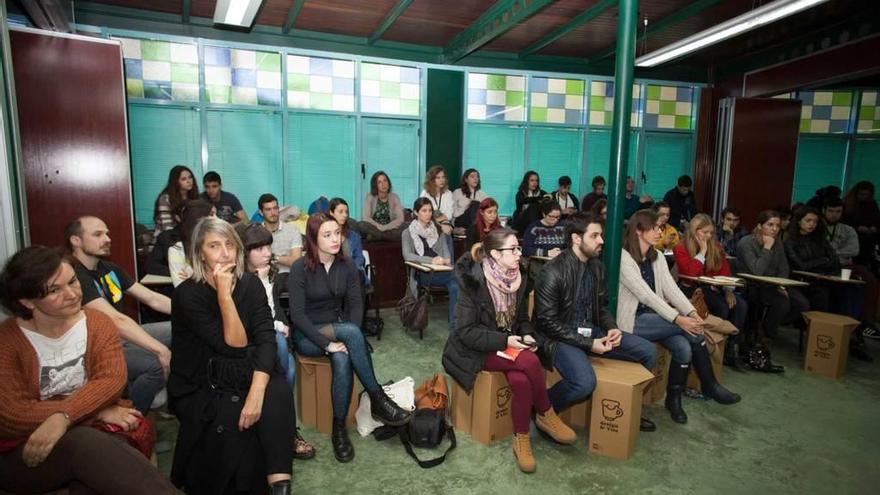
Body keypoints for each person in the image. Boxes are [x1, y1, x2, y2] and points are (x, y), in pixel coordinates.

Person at [0, 246, 178, 494]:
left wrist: (64, 417)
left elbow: (111, 381)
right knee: (84, 442)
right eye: (55, 290)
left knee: (94, 474)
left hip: (91, 439)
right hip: (27, 449)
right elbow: (12, 415)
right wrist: (92, 413)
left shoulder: (96, 323)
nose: (73, 294)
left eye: (73, 281)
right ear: (28, 301)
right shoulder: (7, 340)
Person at [168, 217, 294, 494]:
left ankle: (280, 487)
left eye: (230, 245)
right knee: (244, 423)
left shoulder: (251, 284)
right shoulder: (188, 295)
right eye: (214, 246)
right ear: (200, 253)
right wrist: (224, 295)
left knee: (276, 389)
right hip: (201, 383)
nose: (225, 253)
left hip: (240, 370)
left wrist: (256, 393)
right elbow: (235, 345)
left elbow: (266, 340)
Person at [442, 229, 575, 473]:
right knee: (531, 363)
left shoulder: (519, 277)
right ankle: (545, 413)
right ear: (494, 254)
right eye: (512, 250)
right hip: (475, 348)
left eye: (518, 248)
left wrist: (525, 334)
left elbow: (522, 317)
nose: (518, 254)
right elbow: (466, 332)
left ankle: (521, 438)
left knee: (522, 381)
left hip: (507, 342)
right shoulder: (472, 282)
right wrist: (506, 341)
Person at [289, 213, 411, 463]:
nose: (335, 239)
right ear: (313, 238)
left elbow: (356, 306)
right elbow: (298, 316)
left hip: (341, 328)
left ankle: (339, 429)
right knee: (347, 338)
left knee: (344, 359)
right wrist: (328, 344)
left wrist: (348, 340)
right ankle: (378, 398)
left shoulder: (347, 267)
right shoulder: (299, 268)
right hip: (309, 334)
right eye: (327, 234)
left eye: (337, 233)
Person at [532, 212, 658, 432]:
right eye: (595, 235)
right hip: (560, 338)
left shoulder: (596, 267)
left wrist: (611, 328)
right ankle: (543, 408)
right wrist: (588, 344)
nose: (601, 241)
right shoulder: (552, 272)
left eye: (601, 235)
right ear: (576, 238)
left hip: (591, 331)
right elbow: (546, 322)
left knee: (648, 351)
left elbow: (601, 307)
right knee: (583, 383)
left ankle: (627, 405)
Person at [619, 210, 741, 423]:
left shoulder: (656, 257)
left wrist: (691, 312)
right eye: (655, 228)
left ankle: (673, 399)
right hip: (633, 321)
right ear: (639, 231)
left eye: (660, 227)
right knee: (693, 332)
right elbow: (646, 296)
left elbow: (671, 290)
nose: (660, 231)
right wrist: (678, 319)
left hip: (655, 319)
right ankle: (709, 384)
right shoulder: (624, 257)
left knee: (684, 347)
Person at [65, 216, 171, 414]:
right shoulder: (74, 276)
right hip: (99, 345)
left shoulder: (109, 269)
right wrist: (161, 350)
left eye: (107, 233)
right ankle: (133, 414)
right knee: (155, 364)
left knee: (177, 329)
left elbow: (152, 299)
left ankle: (160, 396)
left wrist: (195, 310)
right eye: (98, 234)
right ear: (75, 241)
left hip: (122, 335)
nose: (107, 239)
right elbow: (115, 319)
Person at [235, 223, 316, 461]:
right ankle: (285, 430)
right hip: (246, 342)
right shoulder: (236, 278)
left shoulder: (268, 273)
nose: (268, 253)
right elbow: (250, 322)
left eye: (268, 247)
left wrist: (278, 325)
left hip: (267, 337)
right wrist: (278, 327)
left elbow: (270, 311)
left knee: (288, 367)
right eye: (258, 249)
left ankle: (280, 426)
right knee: (281, 352)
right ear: (244, 251)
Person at [736, 210, 809, 372]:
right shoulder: (746, 243)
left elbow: (784, 268)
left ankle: (766, 333)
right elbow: (757, 271)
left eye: (777, 225)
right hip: (751, 284)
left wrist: (781, 284)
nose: (775, 229)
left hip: (772, 285)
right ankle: (760, 342)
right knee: (780, 303)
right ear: (760, 226)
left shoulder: (778, 244)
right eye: (770, 225)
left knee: (801, 303)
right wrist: (767, 248)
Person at [673, 214, 749, 368]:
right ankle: (713, 343)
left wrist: (728, 291)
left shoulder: (717, 247)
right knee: (720, 306)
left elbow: (725, 272)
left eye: (711, 233)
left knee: (740, 305)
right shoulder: (681, 248)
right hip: (692, 289)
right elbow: (691, 273)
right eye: (704, 232)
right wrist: (702, 252)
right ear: (695, 231)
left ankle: (731, 347)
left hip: (714, 287)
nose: (708, 236)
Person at [401, 198, 459, 331]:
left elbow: (446, 252)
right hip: (422, 272)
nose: (428, 214)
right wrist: (431, 261)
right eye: (424, 211)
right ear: (416, 212)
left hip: (443, 271)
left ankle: (454, 328)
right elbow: (407, 256)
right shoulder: (408, 233)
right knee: (459, 276)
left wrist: (446, 260)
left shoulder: (437, 230)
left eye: (430, 211)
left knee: (455, 286)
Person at [784, 206, 839, 311]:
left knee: (847, 290)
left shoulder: (820, 240)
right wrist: (823, 260)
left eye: (815, 221)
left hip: (822, 278)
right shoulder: (790, 242)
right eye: (808, 220)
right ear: (799, 222)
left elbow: (835, 260)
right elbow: (801, 266)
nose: (812, 224)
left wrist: (820, 264)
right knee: (820, 293)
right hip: (799, 280)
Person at [168, 200, 215, 287]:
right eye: (212, 214)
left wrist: (191, 277)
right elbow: (181, 287)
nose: (216, 218)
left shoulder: (220, 245)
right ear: (199, 218)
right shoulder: (177, 250)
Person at [259, 193, 303, 274]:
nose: (273, 213)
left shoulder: (293, 230)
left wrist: (273, 257)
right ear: (261, 212)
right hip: (263, 277)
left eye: (275, 208)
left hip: (288, 277)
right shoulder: (257, 232)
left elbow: (297, 262)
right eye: (268, 209)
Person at [152, 165, 199, 238]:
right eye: (183, 179)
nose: (189, 181)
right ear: (176, 182)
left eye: (190, 177)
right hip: (166, 240)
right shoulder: (165, 199)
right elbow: (167, 229)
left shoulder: (193, 197)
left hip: (187, 237)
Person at [359, 171, 406, 242]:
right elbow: (366, 218)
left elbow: (400, 219)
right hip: (375, 228)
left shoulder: (394, 197)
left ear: (388, 182)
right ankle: (383, 236)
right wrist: (379, 227)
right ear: (375, 185)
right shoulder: (370, 197)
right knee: (361, 225)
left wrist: (385, 228)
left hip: (390, 228)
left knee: (407, 226)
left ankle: (379, 236)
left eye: (385, 180)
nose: (383, 184)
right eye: (379, 182)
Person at [843, 181, 880, 266]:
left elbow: (877, 219)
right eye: (861, 194)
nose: (864, 197)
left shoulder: (872, 204)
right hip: (853, 237)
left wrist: (874, 227)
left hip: (869, 239)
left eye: (867, 195)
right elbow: (844, 221)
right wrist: (857, 227)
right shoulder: (848, 204)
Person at [328, 198, 366, 275]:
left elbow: (360, 258)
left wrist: (349, 269)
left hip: (352, 273)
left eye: (346, 212)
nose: (345, 215)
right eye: (341, 212)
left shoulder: (354, 236)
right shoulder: (325, 236)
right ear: (331, 213)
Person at [420, 165, 455, 237]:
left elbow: (449, 214)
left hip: (444, 222)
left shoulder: (448, 193)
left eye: (443, 177)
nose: (441, 180)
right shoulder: (425, 193)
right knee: (441, 229)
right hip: (428, 222)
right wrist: (436, 221)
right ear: (432, 179)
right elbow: (422, 213)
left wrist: (438, 220)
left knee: (446, 229)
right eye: (438, 178)